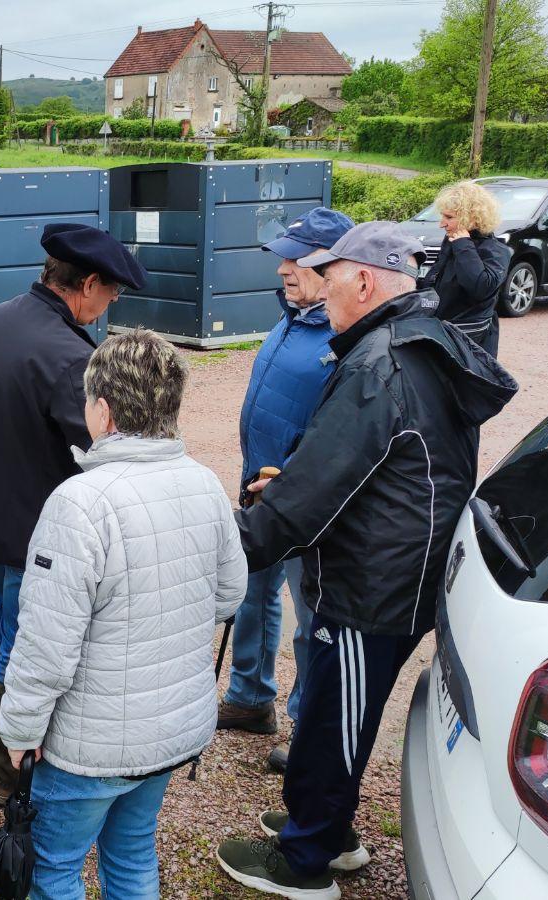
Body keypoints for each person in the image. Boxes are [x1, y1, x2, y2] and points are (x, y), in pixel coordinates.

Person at [215, 222, 517, 899]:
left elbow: (315, 492)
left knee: (332, 715)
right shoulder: (409, 341)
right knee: (343, 708)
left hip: (375, 581)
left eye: (330, 274)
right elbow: (369, 465)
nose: (319, 289)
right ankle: (326, 822)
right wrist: (288, 482)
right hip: (391, 566)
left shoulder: (379, 363)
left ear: (364, 279)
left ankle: (308, 858)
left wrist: (236, 542)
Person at [0, 330, 247, 900]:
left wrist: (19, 728)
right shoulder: (205, 484)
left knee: (55, 867)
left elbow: (46, 645)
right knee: (133, 854)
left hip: (88, 745)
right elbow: (230, 594)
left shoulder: (79, 503)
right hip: (169, 730)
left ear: (103, 411)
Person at [0, 223, 146, 805]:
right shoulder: (71, 356)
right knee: (23, 640)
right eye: (112, 294)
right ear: (89, 284)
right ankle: (10, 772)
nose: (110, 306)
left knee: (1, 622)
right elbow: (102, 450)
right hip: (33, 531)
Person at [217, 208, 354, 776]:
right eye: (283, 257)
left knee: (308, 614)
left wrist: (291, 477)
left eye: (297, 259)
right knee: (251, 593)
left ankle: (304, 729)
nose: (284, 269)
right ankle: (251, 698)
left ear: (333, 265)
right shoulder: (294, 317)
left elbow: (341, 430)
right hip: (258, 486)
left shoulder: (344, 334)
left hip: (301, 501)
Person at [419, 181, 510, 357]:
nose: (442, 224)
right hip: (443, 337)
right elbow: (436, 283)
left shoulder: (496, 251)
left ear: (472, 218)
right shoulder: (453, 242)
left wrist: (463, 246)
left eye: (449, 217)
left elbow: (480, 287)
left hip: (470, 346)